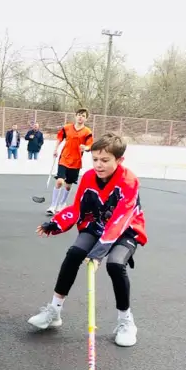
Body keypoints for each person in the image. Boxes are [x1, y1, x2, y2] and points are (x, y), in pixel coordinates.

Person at [28, 132, 147, 347]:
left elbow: (120, 219)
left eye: (105, 160)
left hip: (126, 229)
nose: (98, 165)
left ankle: (126, 321)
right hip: (96, 224)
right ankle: (54, 311)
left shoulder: (129, 181)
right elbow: (77, 207)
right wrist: (55, 223)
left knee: (115, 264)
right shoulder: (89, 177)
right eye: (95, 159)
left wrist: (98, 253)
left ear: (119, 160)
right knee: (74, 253)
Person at [47, 108, 93, 215]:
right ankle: (53, 206)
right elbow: (59, 138)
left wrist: (86, 148)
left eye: (83, 116)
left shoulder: (87, 132)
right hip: (64, 159)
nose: (81, 117)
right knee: (59, 181)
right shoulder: (67, 127)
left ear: (86, 119)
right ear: (75, 116)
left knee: (68, 185)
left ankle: (62, 203)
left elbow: (90, 145)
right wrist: (55, 149)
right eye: (79, 115)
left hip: (76, 162)